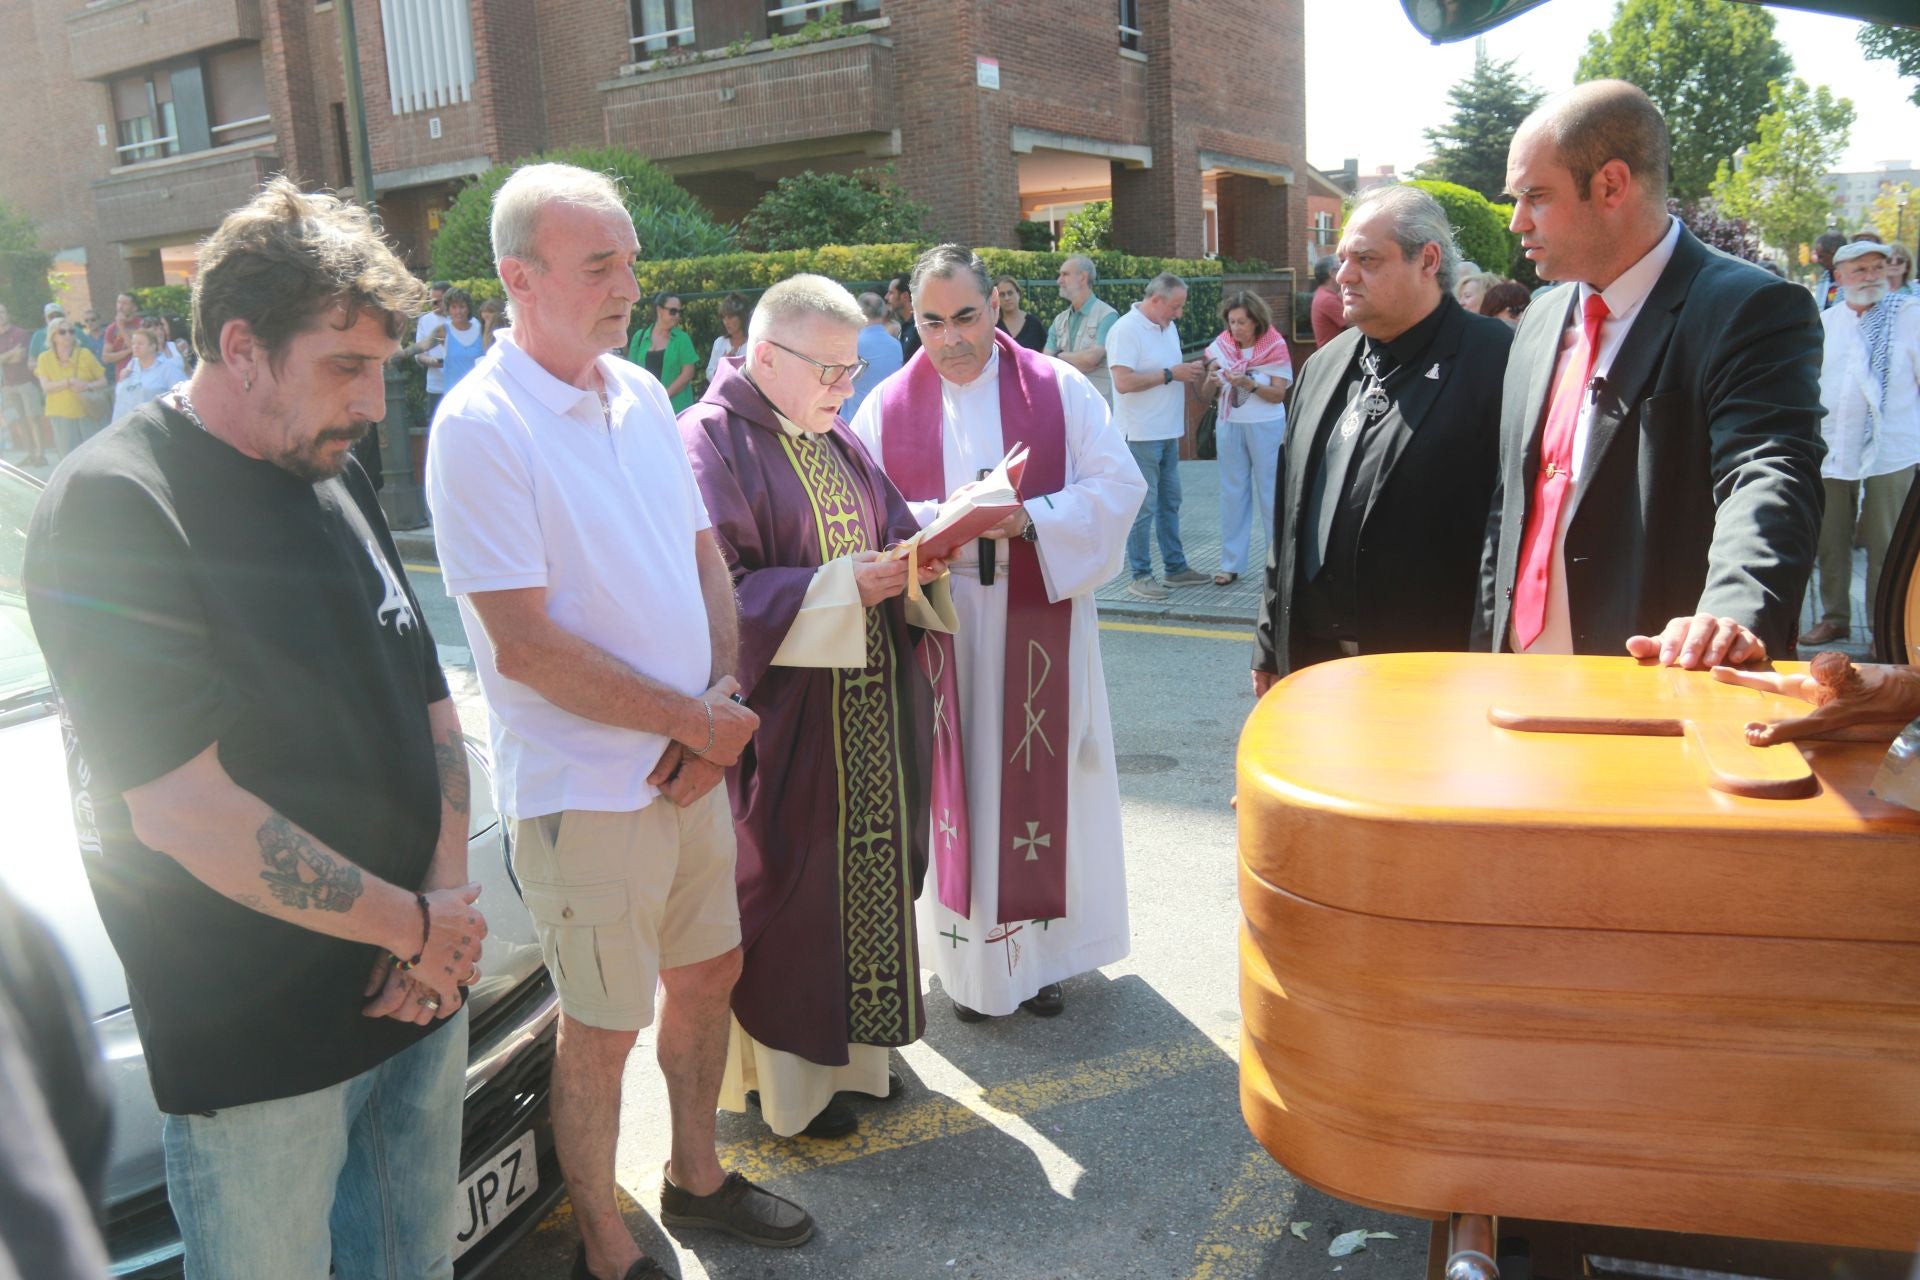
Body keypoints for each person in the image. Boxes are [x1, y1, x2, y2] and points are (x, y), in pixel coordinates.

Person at [22, 176, 484, 1280]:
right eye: (344, 365)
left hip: (419, 997)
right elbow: (184, 807)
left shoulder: (333, 470)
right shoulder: (116, 505)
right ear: (240, 344)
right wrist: (414, 923)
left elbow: (429, 695)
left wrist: (446, 913)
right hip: (263, 1057)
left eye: (380, 364)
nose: (374, 399)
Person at [425, 162, 813, 1280]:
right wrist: (692, 722)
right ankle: (604, 1236)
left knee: (708, 973)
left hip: (692, 764)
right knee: (602, 1027)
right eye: (601, 264)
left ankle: (695, 1175)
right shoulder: (479, 427)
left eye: (631, 260)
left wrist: (720, 703)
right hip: (593, 791)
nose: (630, 284)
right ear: (519, 276)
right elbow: (527, 645)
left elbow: (705, 556)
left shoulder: (638, 391)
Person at [680, 274, 948, 1140]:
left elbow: (890, 525)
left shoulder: (835, 435)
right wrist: (844, 586)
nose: (848, 389)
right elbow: (720, 595)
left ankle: (859, 1062)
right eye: (831, 370)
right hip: (787, 725)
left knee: (861, 882)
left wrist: (920, 557)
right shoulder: (709, 443)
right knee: (791, 901)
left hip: (864, 709)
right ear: (764, 357)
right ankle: (788, 1090)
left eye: (854, 368)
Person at [850, 243, 1146, 1023]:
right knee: (958, 790)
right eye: (931, 321)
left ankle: (1040, 960)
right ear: (912, 321)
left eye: (967, 317)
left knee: (1035, 784)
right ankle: (969, 969)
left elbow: (1118, 485)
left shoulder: (1059, 389)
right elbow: (863, 516)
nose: (950, 339)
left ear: (998, 306)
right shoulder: (885, 406)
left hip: (1035, 614)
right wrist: (938, 522)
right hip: (941, 627)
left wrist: (1030, 517)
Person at [1477, 80, 1825, 669]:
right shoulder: (1538, 318)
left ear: (1611, 184)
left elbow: (1768, 472)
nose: (1516, 222)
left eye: (1536, 196)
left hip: (1657, 688)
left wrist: (1731, 616)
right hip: (1515, 683)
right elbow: (1511, 503)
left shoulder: (1751, 308)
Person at [1253, 185, 1512, 691]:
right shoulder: (1325, 365)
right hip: (1314, 668)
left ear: (1428, 260)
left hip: (1435, 675)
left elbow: (1507, 534)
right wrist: (1269, 640)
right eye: (1343, 259)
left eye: (1366, 260)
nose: (1344, 275)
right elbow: (1288, 516)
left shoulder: (1499, 362)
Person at [1800, 241, 1920, 648]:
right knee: (1830, 544)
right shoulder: (1825, 322)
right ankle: (1835, 618)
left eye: (1877, 267)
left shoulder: (1910, 317)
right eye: (1860, 270)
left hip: (1891, 455)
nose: (1871, 277)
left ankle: (1885, 629)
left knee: (1888, 550)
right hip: (1833, 451)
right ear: (1839, 278)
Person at [1108, 272, 1210, 599]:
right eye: (1175, 306)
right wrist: (1171, 374)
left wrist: (1188, 371)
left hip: (1166, 431)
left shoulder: (1168, 326)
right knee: (1144, 507)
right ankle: (1140, 574)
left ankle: (1175, 569)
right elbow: (1123, 382)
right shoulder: (1125, 329)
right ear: (1156, 301)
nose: (1179, 313)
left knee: (1170, 503)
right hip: (1139, 433)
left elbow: (1167, 372)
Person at [1202, 290, 1292, 587]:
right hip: (1230, 424)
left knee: (1271, 493)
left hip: (1266, 425)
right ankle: (1230, 564)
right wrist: (1212, 381)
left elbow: (1278, 394)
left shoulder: (1275, 346)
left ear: (1256, 321)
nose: (1235, 329)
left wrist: (1250, 384)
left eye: (1241, 322)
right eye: (1231, 322)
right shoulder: (1222, 347)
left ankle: (1277, 563)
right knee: (1232, 493)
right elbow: (1205, 395)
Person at [1044, 254, 1119, 404]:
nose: (1059, 280)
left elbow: (1092, 358)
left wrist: (1059, 356)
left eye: (1065, 274)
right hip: (1067, 403)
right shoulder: (1059, 320)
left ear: (1083, 278)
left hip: (1098, 405)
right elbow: (1046, 363)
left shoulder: (1108, 316)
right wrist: (1078, 359)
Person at [34, 320, 106, 456]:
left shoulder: (85, 354)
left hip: (87, 412)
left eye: (71, 331)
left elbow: (103, 381)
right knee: (68, 457)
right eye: (62, 332)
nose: (68, 335)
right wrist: (68, 382)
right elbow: (46, 386)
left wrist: (87, 385)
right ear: (53, 336)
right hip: (60, 414)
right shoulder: (44, 358)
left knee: (92, 456)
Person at [628, 291, 700, 413]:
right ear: (659, 310)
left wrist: (663, 396)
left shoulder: (682, 339)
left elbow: (687, 374)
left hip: (675, 410)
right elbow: (630, 371)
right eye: (673, 311)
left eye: (679, 312)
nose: (677, 315)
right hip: (645, 408)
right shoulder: (639, 337)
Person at [420, 286, 484, 419]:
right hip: (449, 395)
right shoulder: (440, 329)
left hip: (477, 396)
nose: (458, 311)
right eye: (454, 307)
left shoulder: (479, 327)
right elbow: (421, 348)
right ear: (448, 309)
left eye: (462, 307)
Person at [0, 303, 49, 466]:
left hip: (26, 383)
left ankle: (40, 454)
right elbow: (10, 357)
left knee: (33, 418)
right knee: (20, 420)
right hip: (8, 385)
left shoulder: (20, 333)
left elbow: (20, 356)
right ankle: (30, 454)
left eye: (2, 312)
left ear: (8, 314)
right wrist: (9, 355)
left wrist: (5, 358)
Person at [847, 290, 903, 419]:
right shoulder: (895, 345)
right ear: (884, 312)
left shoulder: (852, 343)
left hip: (854, 421)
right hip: (887, 419)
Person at [112, 327, 180, 421]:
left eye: (140, 343)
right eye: (133, 343)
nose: (135, 346)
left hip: (157, 423)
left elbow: (181, 396)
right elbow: (121, 398)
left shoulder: (168, 368)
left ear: (152, 346)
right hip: (128, 425)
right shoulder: (131, 366)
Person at [705, 291, 751, 384]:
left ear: (742, 317)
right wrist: (723, 365)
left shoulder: (753, 343)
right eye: (723, 317)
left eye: (730, 317)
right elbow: (710, 374)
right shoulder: (719, 343)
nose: (726, 322)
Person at [993, 275, 1047, 350]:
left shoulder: (1034, 324)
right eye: (1002, 295)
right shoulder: (994, 327)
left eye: (1010, 293)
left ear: (1018, 294)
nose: (1007, 298)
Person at [99, 292, 140, 382]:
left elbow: (139, 351)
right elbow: (106, 357)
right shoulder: (111, 328)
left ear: (134, 308)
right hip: (122, 379)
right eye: (118, 302)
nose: (120, 307)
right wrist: (129, 351)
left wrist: (121, 327)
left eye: (125, 303)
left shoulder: (141, 325)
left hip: (141, 375)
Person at [1309, 255, 1346, 347]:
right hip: (1337, 358)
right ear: (1332, 273)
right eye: (1342, 268)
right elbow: (1358, 326)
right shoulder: (1327, 299)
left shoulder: (1323, 294)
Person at [1812, 231, 1849, 312]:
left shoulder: (1854, 277)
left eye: (1821, 256)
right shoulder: (1823, 279)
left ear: (1834, 253)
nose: (1818, 260)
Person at [887, 273, 920, 360]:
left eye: (891, 293)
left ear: (904, 296)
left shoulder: (919, 328)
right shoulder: (907, 326)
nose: (886, 297)